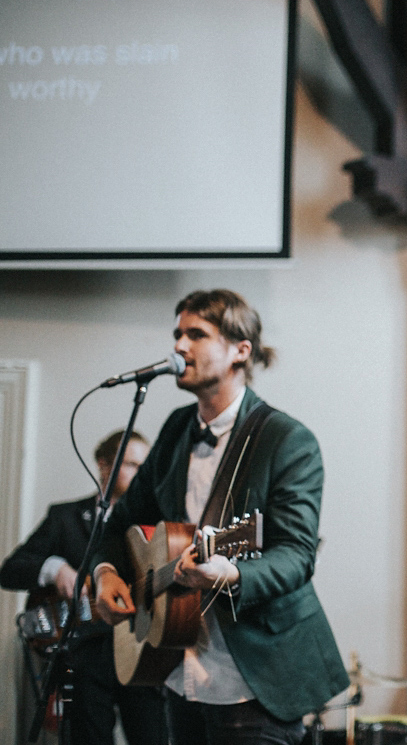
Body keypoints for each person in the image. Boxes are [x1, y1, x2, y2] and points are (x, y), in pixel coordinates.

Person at [90, 288, 349, 745]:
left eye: (197, 334)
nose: (179, 347)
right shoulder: (174, 430)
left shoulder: (288, 440)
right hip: (177, 670)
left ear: (240, 351)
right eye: (177, 334)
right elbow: (118, 521)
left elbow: (296, 555)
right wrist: (107, 572)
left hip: (255, 678)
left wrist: (228, 571)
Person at [1, 430, 167, 745]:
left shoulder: (158, 524)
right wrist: (56, 569)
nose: (139, 473)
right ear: (103, 465)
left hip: (142, 656)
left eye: (143, 466)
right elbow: (9, 571)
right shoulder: (65, 517)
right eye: (131, 464)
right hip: (83, 658)